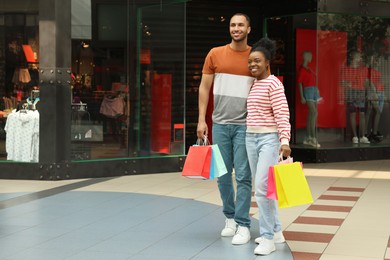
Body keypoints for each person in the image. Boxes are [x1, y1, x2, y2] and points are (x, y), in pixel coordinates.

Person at [197, 13, 253, 245]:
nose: (236, 28)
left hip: (245, 125)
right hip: (219, 123)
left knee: (243, 176)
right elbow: (203, 87)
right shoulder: (215, 54)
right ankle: (230, 217)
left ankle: (243, 224)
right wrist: (202, 120)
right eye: (233, 25)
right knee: (221, 175)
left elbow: (266, 88)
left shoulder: (255, 56)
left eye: (240, 25)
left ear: (249, 29)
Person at [245, 37, 291, 255]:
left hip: (268, 140)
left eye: (257, 61)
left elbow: (282, 113)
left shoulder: (274, 83)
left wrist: (284, 140)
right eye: (250, 61)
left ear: (267, 63)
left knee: (262, 189)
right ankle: (277, 230)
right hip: (250, 138)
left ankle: (267, 237)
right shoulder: (254, 84)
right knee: (262, 188)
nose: (252, 65)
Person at [340, 50, 370, 144]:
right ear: (354, 57)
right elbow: (342, 82)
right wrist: (347, 84)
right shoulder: (347, 69)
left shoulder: (363, 69)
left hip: (360, 92)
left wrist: (366, 91)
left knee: (362, 114)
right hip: (351, 91)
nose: (360, 59)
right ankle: (355, 136)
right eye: (358, 57)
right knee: (352, 113)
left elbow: (366, 82)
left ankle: (363, 136)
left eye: (360, 57)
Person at [297, 51, 321, 148]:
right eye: (310, 56)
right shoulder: (302, 69)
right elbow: (299, 83)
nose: (311, 58)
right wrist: (302, 96)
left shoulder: (308, 69)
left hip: (313, 90)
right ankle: (312, 137)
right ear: (306, 57)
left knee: (312, 114)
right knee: (314, 112)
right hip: (308, 90)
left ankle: (308, 137)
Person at [365, 55, 384, 143]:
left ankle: (372, 133)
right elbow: (369, 82)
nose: (376, 62)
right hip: (373, 93)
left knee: (374, 112)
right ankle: (367, 133)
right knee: (374, 111)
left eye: (378, 60)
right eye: (375, 60)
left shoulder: (378, 71)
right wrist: (374, 93)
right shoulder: (369, 70)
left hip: (380, 92)